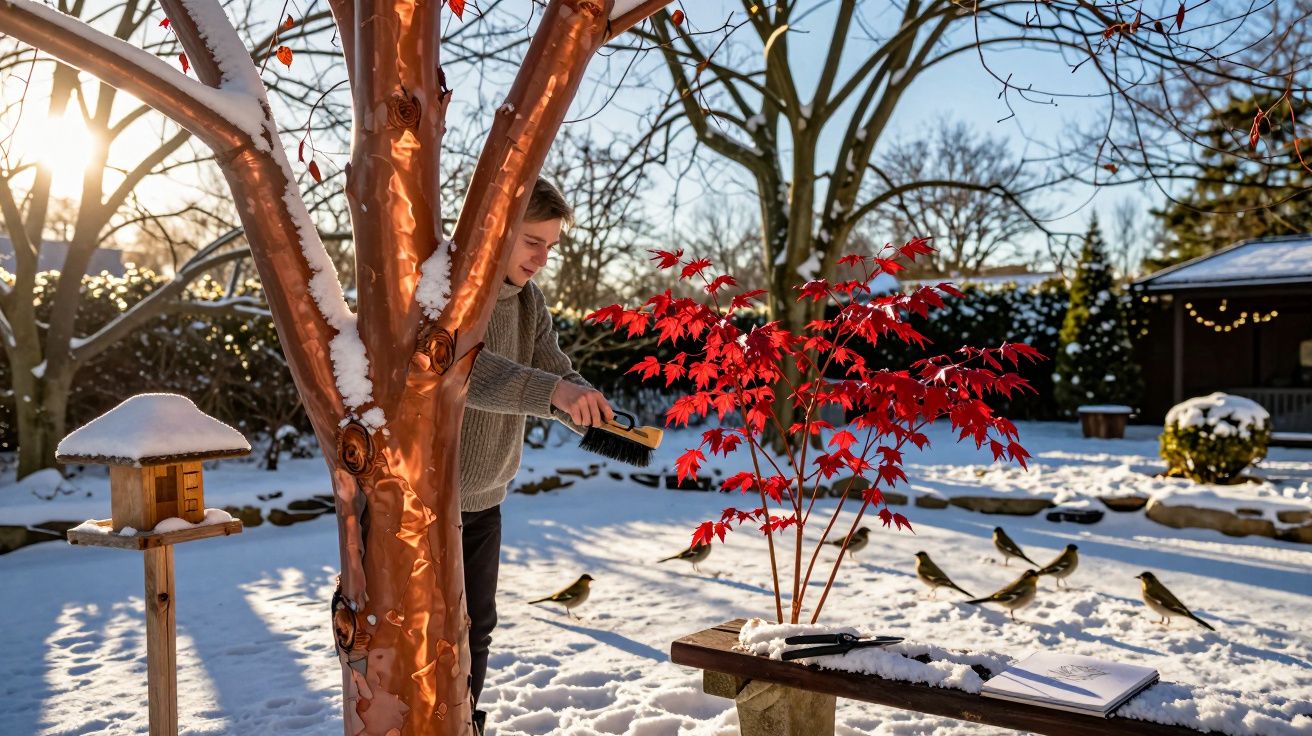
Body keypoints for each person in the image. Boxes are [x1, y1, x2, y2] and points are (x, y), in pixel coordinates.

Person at [459, 177, 614, 734]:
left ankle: (464, 725)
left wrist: (584, 401)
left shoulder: (528, 300)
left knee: (478, 627)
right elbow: (460, 371)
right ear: (496, 230)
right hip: (423, 501)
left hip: (486, 496)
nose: (542, 259)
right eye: (532, 242)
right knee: (418, 632)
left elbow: (551, 368)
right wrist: (551, 393)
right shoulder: (456, 291)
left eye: (550, 246)